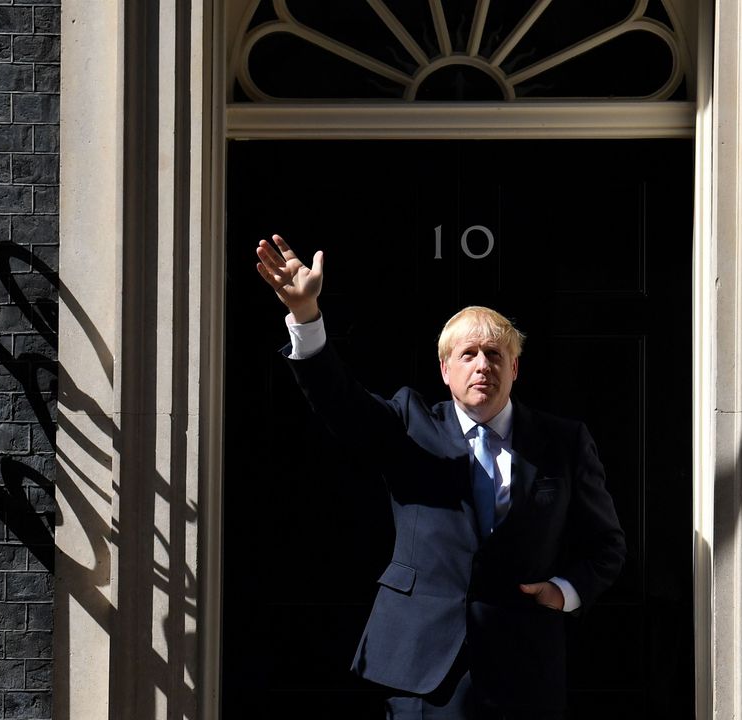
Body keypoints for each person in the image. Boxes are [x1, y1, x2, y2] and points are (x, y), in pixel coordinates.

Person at [255, 234, 626, 720]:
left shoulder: (563, 442)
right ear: (445, 369)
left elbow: (606, 547)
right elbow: (341, 403)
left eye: (495, 355)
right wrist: (306, 315)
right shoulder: (411, 422)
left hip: (524, 666)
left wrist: (564, 591)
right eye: (468, 354)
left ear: (515, 368)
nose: (482, 366)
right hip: (423, 663)